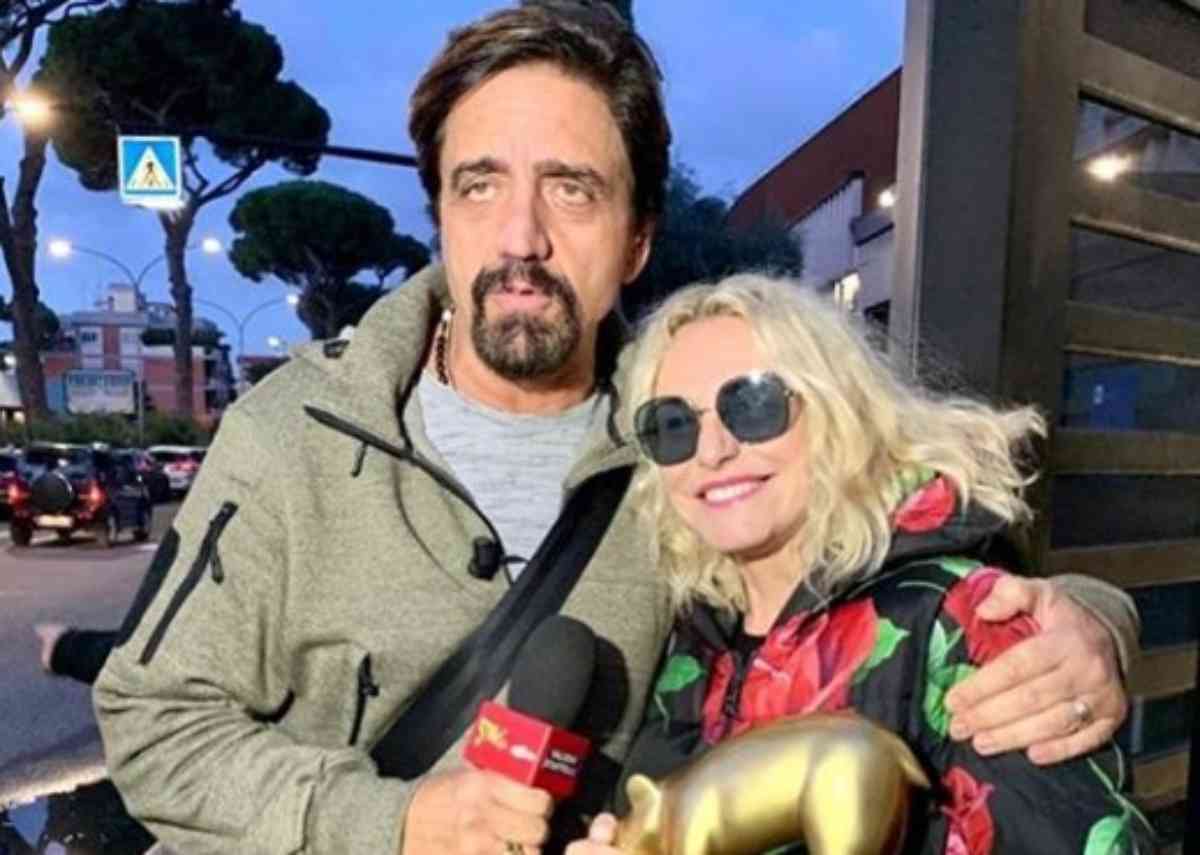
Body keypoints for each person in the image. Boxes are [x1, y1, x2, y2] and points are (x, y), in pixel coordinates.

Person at [93, 4, 1137, 855]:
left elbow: (868, 547)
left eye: (572, 190)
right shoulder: (295, 431)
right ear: (441, 215)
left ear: (637, 239)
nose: (521, 237)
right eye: (480, 185)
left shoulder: (685, 449)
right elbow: (152, 723)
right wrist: (390, 822)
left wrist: (1085, 623)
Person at [567, 275, 1153, 854]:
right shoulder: (689, 640)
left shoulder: (955, 621)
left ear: (837, 409)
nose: (713, 451)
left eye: (752, 404)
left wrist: (1105, 619)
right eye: (674, 424)